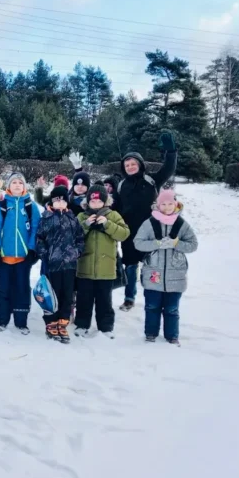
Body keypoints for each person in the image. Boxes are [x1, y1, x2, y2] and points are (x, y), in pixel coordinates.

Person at [117, 131, 178, 312]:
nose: (130, 167)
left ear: (140, 165)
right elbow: (114, 206)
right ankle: (129, 298)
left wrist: (171, 151)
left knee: (152, 267)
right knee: (130, 267)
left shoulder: (151, 180)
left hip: (151, 232)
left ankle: (154, 297)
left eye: (133, 163)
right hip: (129, 233)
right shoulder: (121, 185)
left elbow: (168, 169)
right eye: (127, 164)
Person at [133, 189, 198, 345]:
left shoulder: (182, 224)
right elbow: (138, 242)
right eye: (164, 204)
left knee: (172, 309)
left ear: (175, 204)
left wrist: (177, 244)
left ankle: (172, 335)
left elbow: (193, 245)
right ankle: (150, 333)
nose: (167, 207)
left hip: (176, 276)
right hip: (153, 273)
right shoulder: (149, 223)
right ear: (158, 205)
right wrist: (156, 244)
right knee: (152, 306)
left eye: (170, 203)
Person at [75, 185, 130, 338]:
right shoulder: (81, 216)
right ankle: (81, 324)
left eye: (99, 201)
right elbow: (73, 236)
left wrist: (107, 224)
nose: (96, 203)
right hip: (84, 268)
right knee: (83, 300)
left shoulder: (113, 215)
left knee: (104, 301)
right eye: (93, 201)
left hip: (106, 269)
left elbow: (124, 234)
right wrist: (85, 226)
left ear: (105, 201)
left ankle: (105, 327)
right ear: (87, 202)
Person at [0, 172, 41, 334]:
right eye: (14, 183)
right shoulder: (3, 205)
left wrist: (32, 249)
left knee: (22, 289)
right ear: (9, 186)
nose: (17, 185)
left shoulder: (30, 206)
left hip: (23, 258)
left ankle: (21, 322)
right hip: (5, 257)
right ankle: (3, 320)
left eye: (20, 182)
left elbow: (35, 230)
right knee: (4, 289)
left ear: (24, 186)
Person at [35, 184, 85, 344]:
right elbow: (39, 239)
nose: (60, 203)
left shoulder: (73, 219)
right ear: (52, 202)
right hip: (53, 264)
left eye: (63, 200)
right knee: (52, 295)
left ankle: (63, 322)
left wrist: (77, 252)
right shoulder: (46, 219)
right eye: (56, 200)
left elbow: (80, 238)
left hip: (70, 265)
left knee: (67, 295)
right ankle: (51, 323)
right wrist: (45, 255)